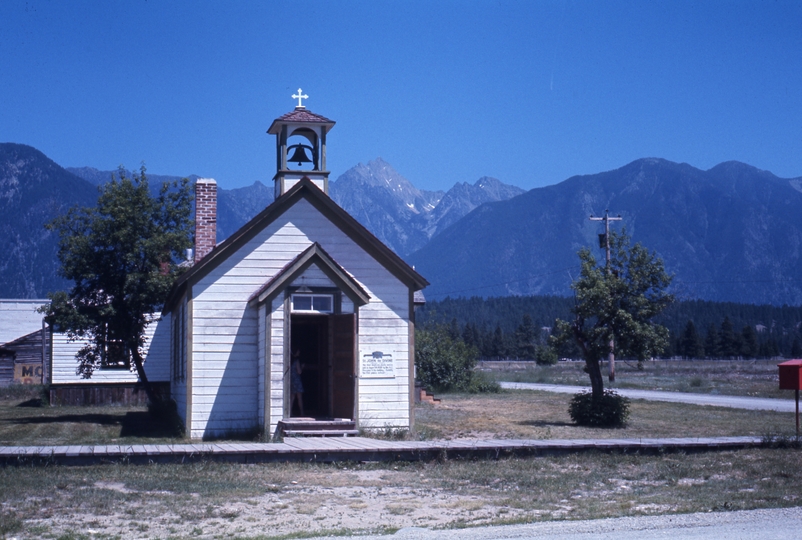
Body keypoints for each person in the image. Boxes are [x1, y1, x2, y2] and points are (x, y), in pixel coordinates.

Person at [290, 348, 305, 416]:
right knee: (299, 397)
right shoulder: (296, 361)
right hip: (297, 380)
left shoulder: (290, 360)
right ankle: (302, 413)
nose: (299, 353)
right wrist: (302, 367)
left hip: (291, 380)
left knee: (292, 397)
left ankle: (290, 412)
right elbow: (299, 372)